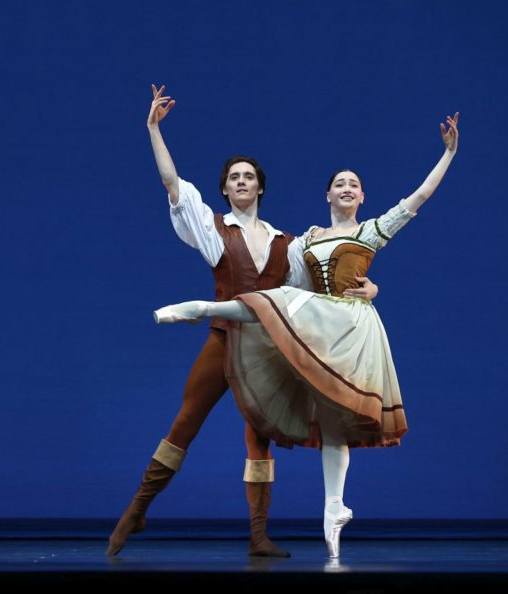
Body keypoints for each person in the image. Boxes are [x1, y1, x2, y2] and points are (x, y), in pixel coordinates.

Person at [153, 113, 460, 558]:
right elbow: (281, 279)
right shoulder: (306, 240)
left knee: (336, 412)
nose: (348, 189)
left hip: (352, 328)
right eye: (341, 184)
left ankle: (202, 308)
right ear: (329, 194)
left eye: (355, 184)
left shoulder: (372, 231)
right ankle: (333, 508)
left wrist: (448, 152)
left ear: (363, 196)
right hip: (320, 324)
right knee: (323, 404)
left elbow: (420, 197)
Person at [107, 86, 378, 558]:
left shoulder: (287, 243)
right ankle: (136, 509)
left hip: (267, 354)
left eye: (249, 176)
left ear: (260, 187)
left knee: (261, 440)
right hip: (222, 340)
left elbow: (324, 283)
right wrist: (153, 129)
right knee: (185, 423)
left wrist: (370, 290)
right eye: (233, 177)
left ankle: (258, 535)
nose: (241, 182)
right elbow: (173, 186)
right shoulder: (214, 231)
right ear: (225, 188)